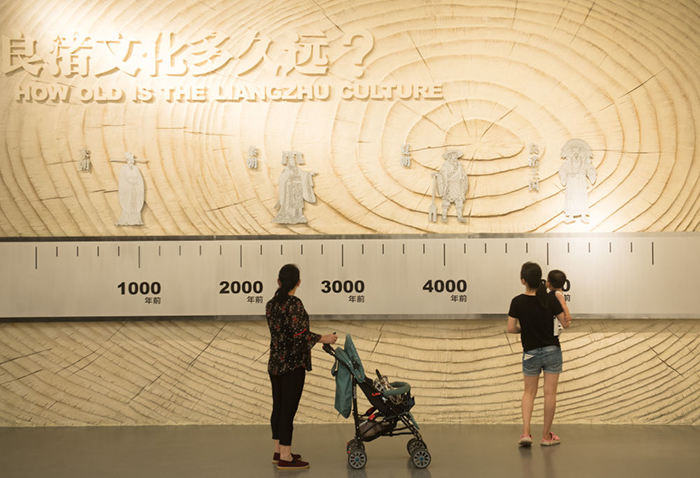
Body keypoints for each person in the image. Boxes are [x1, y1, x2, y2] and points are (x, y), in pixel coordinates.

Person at [266, 264, 337, 470]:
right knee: (288, 410)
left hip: (275, 364)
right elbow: (300, 335)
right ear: (298, 282)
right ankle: (286, 457)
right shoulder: (294, 304)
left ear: (278, 281)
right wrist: (323, 338)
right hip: (292, 365)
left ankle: (278, 451)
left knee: (278, 407)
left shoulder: (271, 304)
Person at [507, 262, 570, 447]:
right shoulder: (550, 299)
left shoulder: (517, 301)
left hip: (530, 353)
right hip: (552, 351)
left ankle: (526, 433)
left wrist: (523, 330)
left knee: (529, 392)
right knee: (550, 394)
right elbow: (565, 324)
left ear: (523, 280)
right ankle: (546, 436)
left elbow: (510, 328)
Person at [547, 269, 572, 337]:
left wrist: (567, 315)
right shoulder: (558, 293)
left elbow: (564, 305)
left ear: (548, 283)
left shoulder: (557, 294)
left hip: (557, 321)